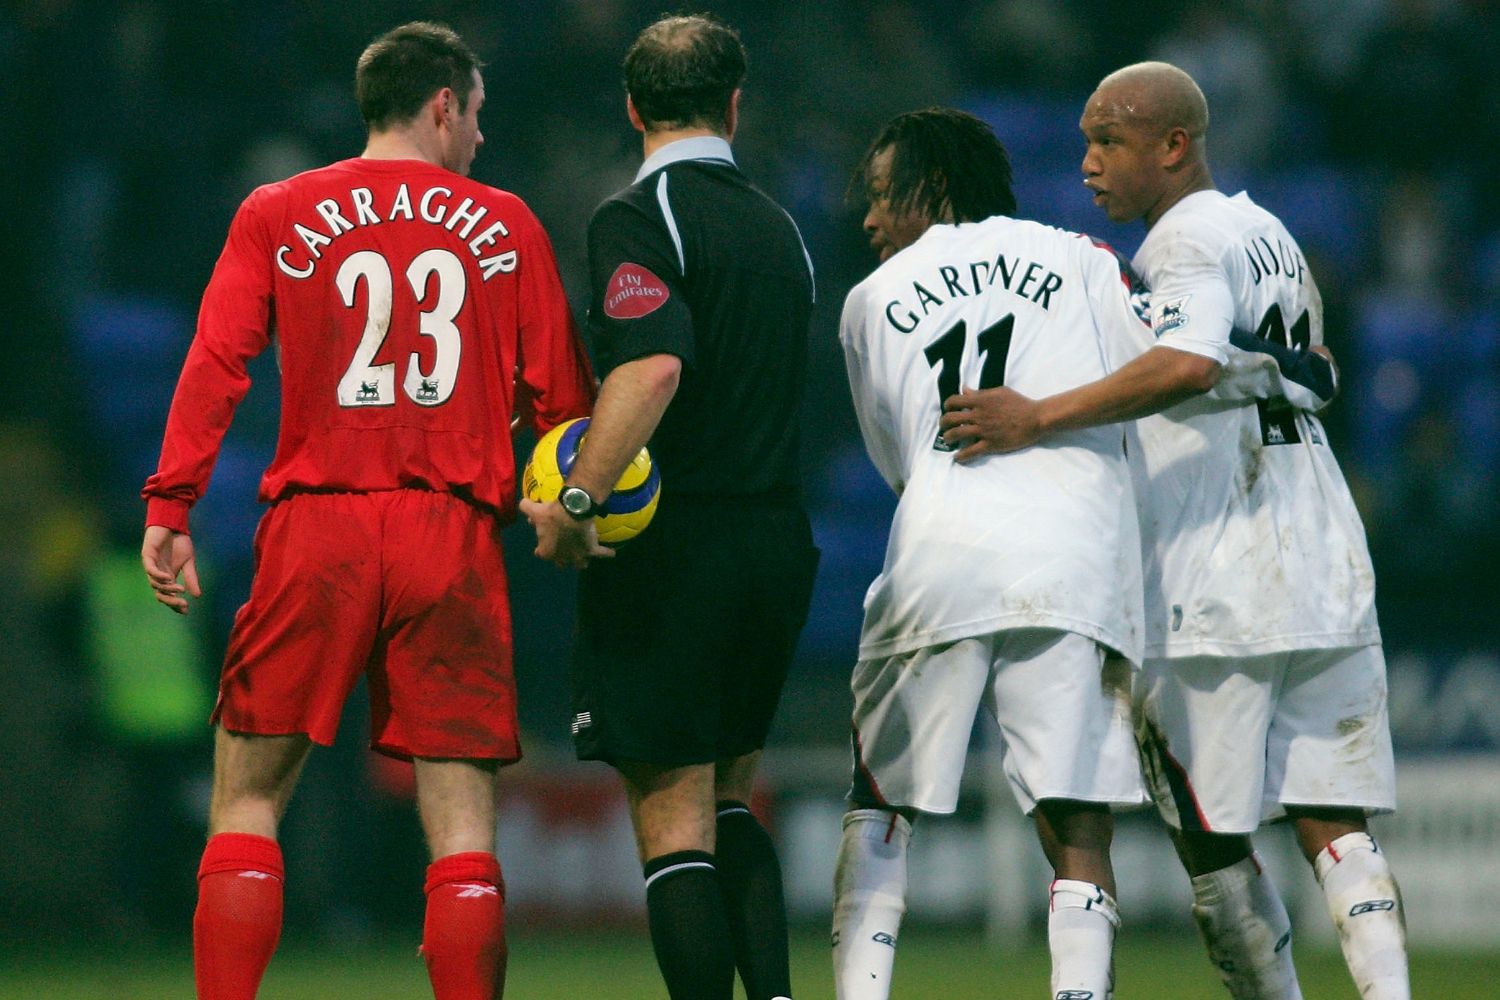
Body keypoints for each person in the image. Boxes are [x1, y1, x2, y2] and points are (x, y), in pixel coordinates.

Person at [140, 22, 595, 1000]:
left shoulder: (278, 210)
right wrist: (567, 502)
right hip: (454, 531)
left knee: (249, 800)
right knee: (464, 826)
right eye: (475, 114)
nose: (479, 135)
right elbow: (563, 405)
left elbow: (217, 362)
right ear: (442, 104)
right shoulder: (507, 224)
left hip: (319, 521)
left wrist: (172, 500)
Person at [939, 62, 1408, 999]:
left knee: (1206, 830)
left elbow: (1188, 363)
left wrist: (1036, 416)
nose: (1085, 164)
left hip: (1219, 568)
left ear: (1173, 146)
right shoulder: (1267, 232)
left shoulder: (1184, 240)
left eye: (1107, 142)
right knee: (1335, 820)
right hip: (1321, 552)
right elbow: (1309, 370)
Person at [522, 14, 818, 1000]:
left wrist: (576, 497)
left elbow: (651, 366)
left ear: (632, 107)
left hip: (678, 542)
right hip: (776, 539)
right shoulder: (784, 231)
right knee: (735, 796)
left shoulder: (639, 219)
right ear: (735, 106)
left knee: (673, 815)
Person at [832, 107, 1156, 1000]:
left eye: (884, 196)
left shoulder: (870, 301)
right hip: (1073, 562)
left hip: (940, 552)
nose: (869, 220)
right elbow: (1158, 375)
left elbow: (898, 457)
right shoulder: (1085, 261)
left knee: (880, 801)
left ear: (934, 190)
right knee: (1077, 820)